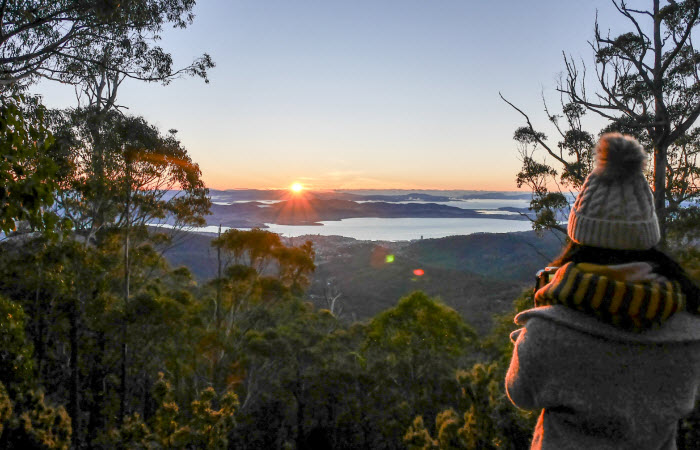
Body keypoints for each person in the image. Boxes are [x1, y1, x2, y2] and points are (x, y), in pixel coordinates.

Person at [505, 133, 700, 449]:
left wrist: (533, 326)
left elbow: (521, 392)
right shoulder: (689, 330)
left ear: (579, 236)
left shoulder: (549, 332)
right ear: (647, 236)